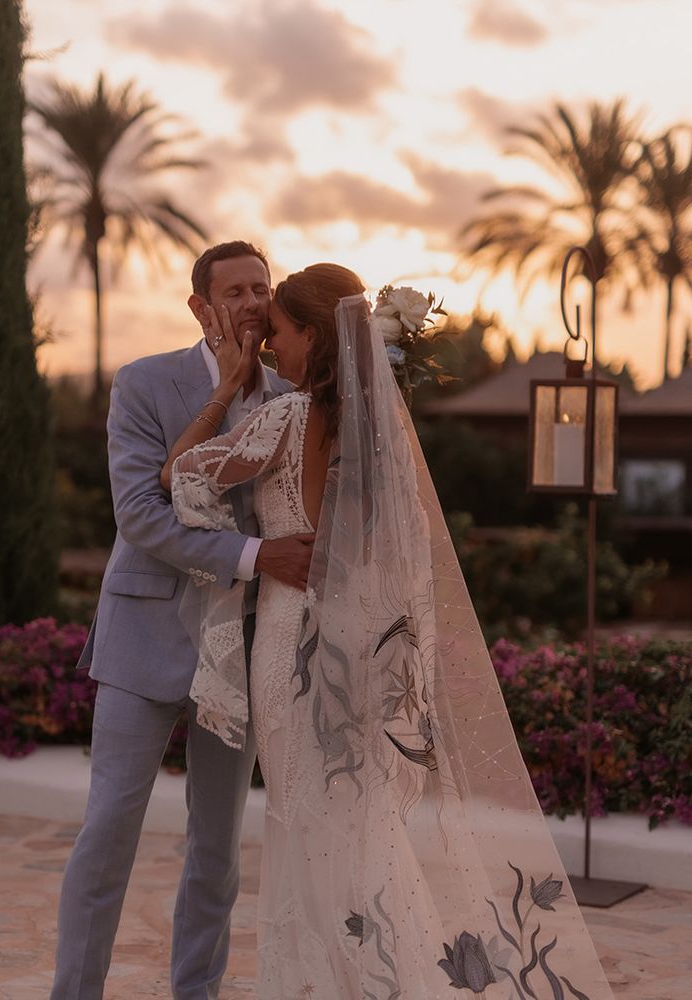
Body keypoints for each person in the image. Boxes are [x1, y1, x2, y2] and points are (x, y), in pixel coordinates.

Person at [163, 263, 615, 998]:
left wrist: (225, 385)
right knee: (362, 829)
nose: (269, 347)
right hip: (360, 652)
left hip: (288, 649)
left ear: (312, 335)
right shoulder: (385, 444)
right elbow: (396, 562)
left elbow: (180, 473)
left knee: (302, 825)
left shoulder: (284, 419)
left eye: (276, 332)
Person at [50, 241, 316, 1000]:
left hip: (242, 648)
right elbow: (139, 514)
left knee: (217, 851)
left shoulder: (293, 395)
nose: (252, 302)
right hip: (143, 639)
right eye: (234, 290)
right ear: (200, 307)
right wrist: (257, 556)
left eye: (261, 287)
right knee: (107, 835)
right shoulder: (143, 384)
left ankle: (194, 991)